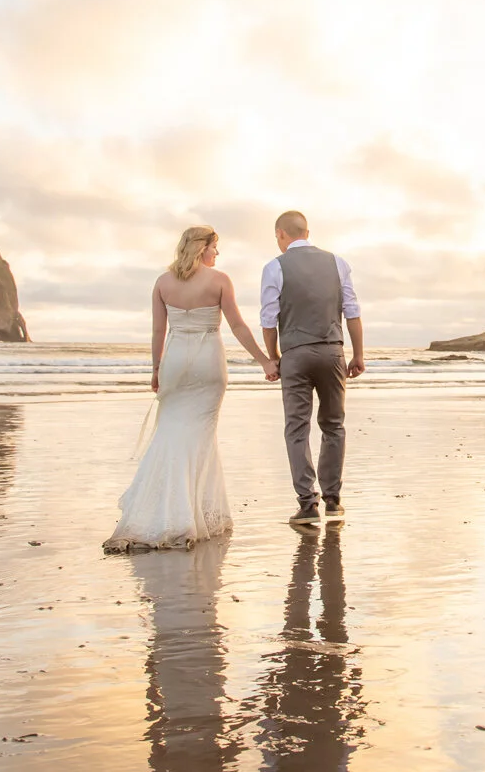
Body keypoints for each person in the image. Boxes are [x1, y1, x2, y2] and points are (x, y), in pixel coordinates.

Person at [104, 226, 277, 553]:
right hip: (208, 362)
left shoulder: (162, 283)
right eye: (215, 247)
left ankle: (161, 509)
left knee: (170, 432)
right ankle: (190, 514)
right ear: (202, 249)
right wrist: (265, 361)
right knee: (200, 437)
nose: (217, 254)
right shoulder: (220, 280)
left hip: (176, 361)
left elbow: (158, 330)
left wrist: (156, 369)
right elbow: (238, 326)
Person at [259, 211, 363, 527]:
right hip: (332, 352)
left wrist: (274, 357)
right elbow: (352, 312)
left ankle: (307, 504)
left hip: (296, 355)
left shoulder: (274, 267)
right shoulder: (338, 263)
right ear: (308, 231)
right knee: (334, 425)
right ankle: (333, 500)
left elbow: (268, 318)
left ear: (281, 234)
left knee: (297, 427)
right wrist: (358, 355)